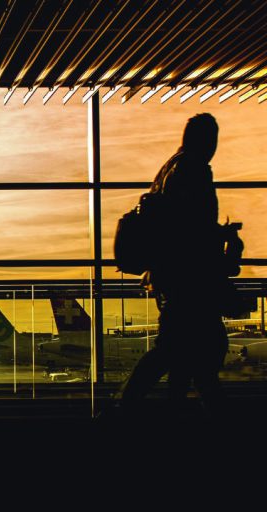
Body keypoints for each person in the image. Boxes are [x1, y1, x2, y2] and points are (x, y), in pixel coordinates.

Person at [118, 113, 236, 417]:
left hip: (171, 277)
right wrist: (220, 236)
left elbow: (176, 226)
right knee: (189, 350)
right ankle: (129, 408)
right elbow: (190, 228)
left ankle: (165, 410)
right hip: (189, 279)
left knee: (182, 350)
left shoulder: (170, 169)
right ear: (207, 140)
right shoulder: (193, 170)